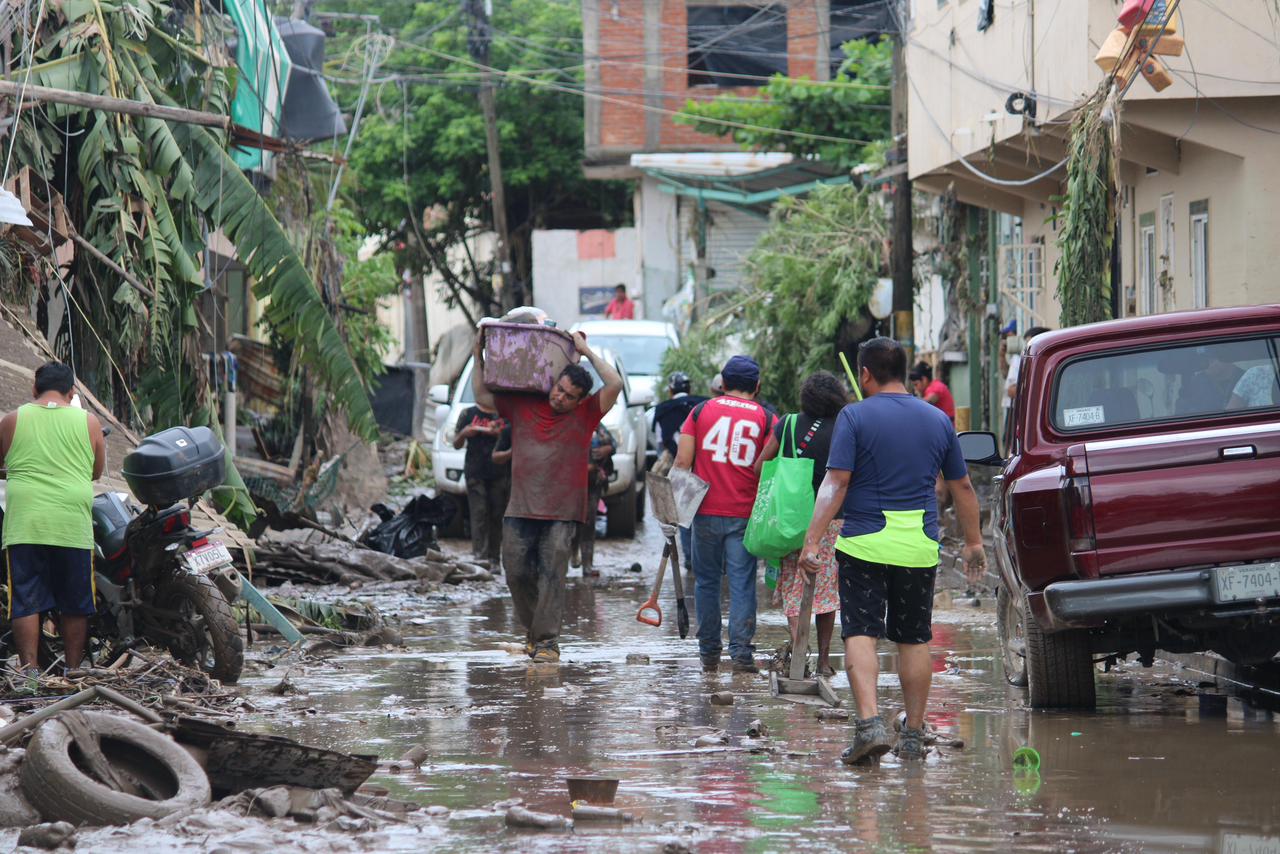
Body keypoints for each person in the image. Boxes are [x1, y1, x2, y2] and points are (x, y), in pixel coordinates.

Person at [800, 338, 985, 765]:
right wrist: (974, 542)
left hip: (864, 544)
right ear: (903, 371)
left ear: (865, 373)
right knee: (914, 638)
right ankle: (914, 736)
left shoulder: (854, 416)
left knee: (860, 633)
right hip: (918, 546)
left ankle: (870, 726)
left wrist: (812, 539)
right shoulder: (937, 420)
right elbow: (962, 486)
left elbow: (836, 482)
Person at [472, 331, 623, 663]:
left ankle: (547, 642)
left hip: (563, 511)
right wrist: (477, 354)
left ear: (580, 400)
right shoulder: (523, 403)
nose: (560, 398)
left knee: (553, 574)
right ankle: (534, 632)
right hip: (520, 507)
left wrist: (586, 350)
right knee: (515, 572)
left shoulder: (586, 414)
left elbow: (615, 384)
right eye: (559, 389)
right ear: (553, 382)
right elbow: (482, 395)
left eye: (569, 396)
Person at [0, 362, 106, 678]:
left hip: (26, 523)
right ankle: (73, 671)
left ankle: (29, 674)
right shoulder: (89, 422)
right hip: (71, 524)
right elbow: (96, 472)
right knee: (75, 601)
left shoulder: (12, 420)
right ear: (71, 392)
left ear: (34, 389)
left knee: (26, 600)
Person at [674, 355, 776, 673]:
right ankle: (741, 653)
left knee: (706, 581)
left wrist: (675, 511)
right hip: (745, 514)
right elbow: (771, 469)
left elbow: (682, 463)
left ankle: (709, 653)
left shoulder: (700, 411)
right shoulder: (767, 418)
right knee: (742, 582)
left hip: (704, 511)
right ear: (757, 386)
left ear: (724, 383)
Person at [755, 371, 847, 678]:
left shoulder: (788, 424)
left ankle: (799, 655)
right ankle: (823, 661)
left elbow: (760, 466)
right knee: (826, 591)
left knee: (795, 586)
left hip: (791, 519)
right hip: (833, 519)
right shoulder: (844, 427)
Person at [453, 402, 511, 565]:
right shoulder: (468, 413)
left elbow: (513, 440)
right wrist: (464, 433)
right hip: (475, 471)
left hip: (499, 473)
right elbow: (456, 444)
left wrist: (500, 434)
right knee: (479, 513)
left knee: (497, 514)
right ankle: (480, 557)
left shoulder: (506, 415)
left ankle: (494, 558)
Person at [572, 422, 615, 577]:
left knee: (589, 523)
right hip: (570, 484)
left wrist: (607, 449)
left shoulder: (598, 426)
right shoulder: (568, 424)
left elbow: (613, 444)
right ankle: (572, 555)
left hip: (593, 484)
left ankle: (587, 565)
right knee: (571, 522)